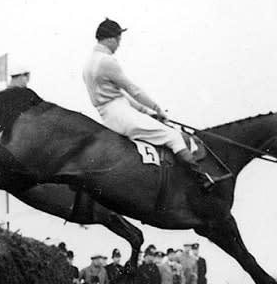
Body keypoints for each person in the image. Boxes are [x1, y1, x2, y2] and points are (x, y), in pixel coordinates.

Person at [82, 18, 214, 190]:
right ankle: (201, 178)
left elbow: (119, 97)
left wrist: (147, 112)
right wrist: (157, 108)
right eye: (118, 40)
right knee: (173, 136)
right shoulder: (107, 61)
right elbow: (132, 90)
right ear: (111, 38)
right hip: (122, 115)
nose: (119, 45)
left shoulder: (88, 64)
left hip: (110, 117)